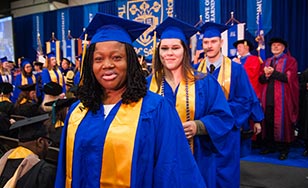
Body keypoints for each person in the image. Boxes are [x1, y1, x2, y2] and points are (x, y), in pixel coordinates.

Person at [55, 13, 206, 188]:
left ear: (131, 61)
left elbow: (173, 172)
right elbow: (65, 173)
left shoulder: (156, 109)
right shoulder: (77, 112)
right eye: (98, 59)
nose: (107, 65)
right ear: (90, 65)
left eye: (117, 57)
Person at [147, 17, 235, 188]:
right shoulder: (146, 85)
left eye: (175, 48)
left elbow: (224, 117)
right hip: (157, 160)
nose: (169, 53)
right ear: (158, 52)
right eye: (164, 48)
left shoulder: (205, 82)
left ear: (185, 51)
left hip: (197, 158)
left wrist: (199, 126)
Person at [196, 22, 257, 187]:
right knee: (204, 171)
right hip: (202, 132)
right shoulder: (194, 71)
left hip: (227, 131)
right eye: (206, 42)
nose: (209, 46)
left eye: (213, 41)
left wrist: (219, 115)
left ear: (221, 42)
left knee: (226, 173)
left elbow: (245, 100)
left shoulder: (236, 70)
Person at [259, 37, 299, 160]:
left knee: (283, 123)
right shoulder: (267, 61)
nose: (275, 47)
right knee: (268, 122)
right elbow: (261, 80)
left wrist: (273, 73)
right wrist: (265, 76)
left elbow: (289, 78)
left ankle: (283, 150)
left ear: (283, 48)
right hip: (268, 97)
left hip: (282, 98)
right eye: (273, 45)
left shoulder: (290, 61)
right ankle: (270, 146)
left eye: (278, 45)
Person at [0, 113, 56, 188]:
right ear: (40, 142)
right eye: (48, 142)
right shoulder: (45, 171)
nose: (48, 146)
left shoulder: (4, 161)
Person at [233, 39, 264, 156]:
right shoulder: (236, 60)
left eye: (240, 46)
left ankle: (249, 146)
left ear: (247, 47)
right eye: (238, 47)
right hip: (237, 96)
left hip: (249, 94)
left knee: (248, 123)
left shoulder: (254, 59)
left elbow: (251, 76)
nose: (238, 49)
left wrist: (239, 67)